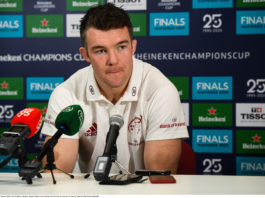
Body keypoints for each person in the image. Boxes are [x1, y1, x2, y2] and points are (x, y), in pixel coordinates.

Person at [41, 3, 189, 174]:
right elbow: (56, 172)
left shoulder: (161, 91)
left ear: (133, 47)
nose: (113, 60)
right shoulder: (66, 93)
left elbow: (160, 177)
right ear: (85, 55)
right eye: (100, 51)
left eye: (121, 47)